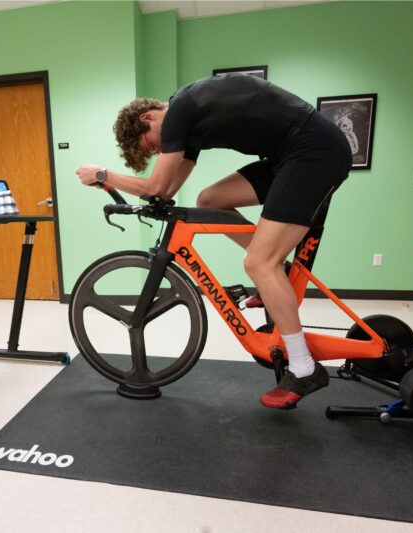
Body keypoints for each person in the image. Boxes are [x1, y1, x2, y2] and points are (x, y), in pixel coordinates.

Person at [76, 74, 352, 410]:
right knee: (210, 200)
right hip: (287, 156)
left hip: (313, 151)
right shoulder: (187, 123)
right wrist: (148, 193)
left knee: (257, 263)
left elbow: (156, 185)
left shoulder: (180, 108)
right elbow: (166, 189)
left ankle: (304, 367)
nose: (160, 151)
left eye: (153, 145)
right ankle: (274, 273)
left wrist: (103, 174)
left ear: (146, 118)